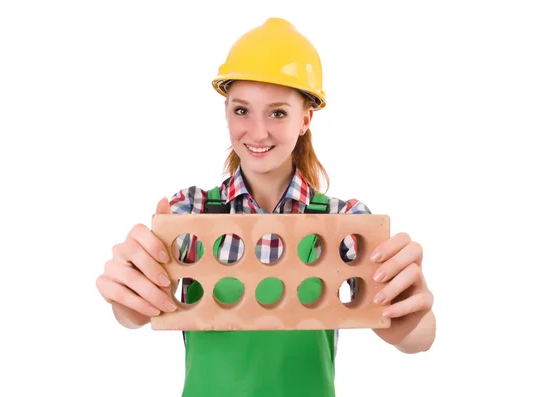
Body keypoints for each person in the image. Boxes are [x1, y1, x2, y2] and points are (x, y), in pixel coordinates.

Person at [96, 17, 436, 397]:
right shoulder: (187, 213)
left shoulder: (345, 222)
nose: (258, 132)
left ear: (305, 119)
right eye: (242, 111)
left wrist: (412, 314)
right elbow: (135, 313)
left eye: (277, 113)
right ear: (226, 112)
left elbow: (415, 338)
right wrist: (128, 294)